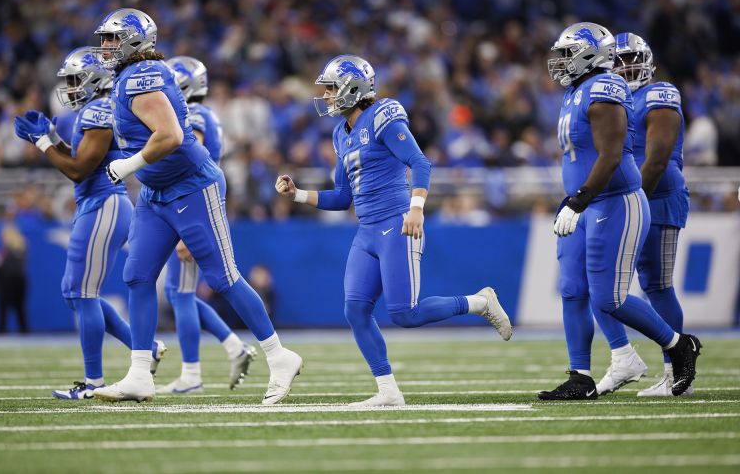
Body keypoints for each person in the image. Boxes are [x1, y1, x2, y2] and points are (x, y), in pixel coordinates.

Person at [275, 54, 512, 407]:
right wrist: (298, 195)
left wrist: (416, 208)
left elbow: (419, 162)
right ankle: (388, 391)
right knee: (355, 310)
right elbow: (342, 197)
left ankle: (479, 303)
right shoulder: (341, 133)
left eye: (330, 88)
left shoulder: (383, 115)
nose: (325, 96)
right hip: (367, 230)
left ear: (352, 89)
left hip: (396, 222)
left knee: (406, 313)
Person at [90, 8, 301, 404]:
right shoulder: (128, 76)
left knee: (223, 278)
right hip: (156, 192)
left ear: (135, 41)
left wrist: (129, 164)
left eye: (112, 39)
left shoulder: (141, 77)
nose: (105, 47)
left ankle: (279, 356)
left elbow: (169, 135)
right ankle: (139, 375)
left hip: (190, 186)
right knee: (137, 275)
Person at [540, 22, 700, 400]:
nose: (560, 62)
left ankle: (677, 348)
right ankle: (585, 372)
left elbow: (620, 155)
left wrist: (581, 199)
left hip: (617, 198)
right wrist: (576, 197)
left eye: (567, 54)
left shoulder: (609, 86)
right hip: (588, 198)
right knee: (573, 289)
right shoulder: (577, 91)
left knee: (627, 291)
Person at [13, 47, 165, 399]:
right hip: (97, 203)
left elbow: (80, 169)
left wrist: (42, 143)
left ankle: (94, 381)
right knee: (76, 292)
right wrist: (51, 139)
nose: (68, 86)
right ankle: (146, 347)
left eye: (73, 79)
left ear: (94, 77)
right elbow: (81, 160)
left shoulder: (100, 108)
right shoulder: (92, 108)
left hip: (104, 204)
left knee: (82, 293)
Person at [593, 33, 691, 396]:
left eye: (633, 58)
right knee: (600, 282)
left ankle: (674, 371)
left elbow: (658, 157)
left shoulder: (658, 92)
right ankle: (623, 358)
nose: (627, 66)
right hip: (627, 197)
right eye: (619, 59)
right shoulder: (610, 95)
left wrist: (632, 201)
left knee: (656, 285)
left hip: (659, 195)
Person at [157, 55, 256, 394]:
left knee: (182, 295)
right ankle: (233, 346)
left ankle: (192, 374)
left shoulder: (195, 115)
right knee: (177, 293)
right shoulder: (202, 113)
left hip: (191, 206)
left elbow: (189, 159)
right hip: (188, 206)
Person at [0, 223, 28, 333]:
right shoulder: (7, 250)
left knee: (17, 308)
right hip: (11, 282)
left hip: (10, 282)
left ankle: (21, 331)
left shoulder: (14, 249)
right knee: (8, 308)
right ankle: (4, 330)